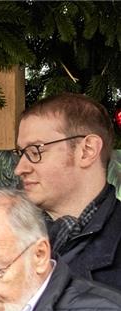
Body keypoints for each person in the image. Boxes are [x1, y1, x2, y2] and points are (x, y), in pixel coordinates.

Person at [15, 92, 121, 287]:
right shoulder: (14, 242)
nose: (20, 169)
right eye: (21, 153)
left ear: (87, 150)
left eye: (35, 151)